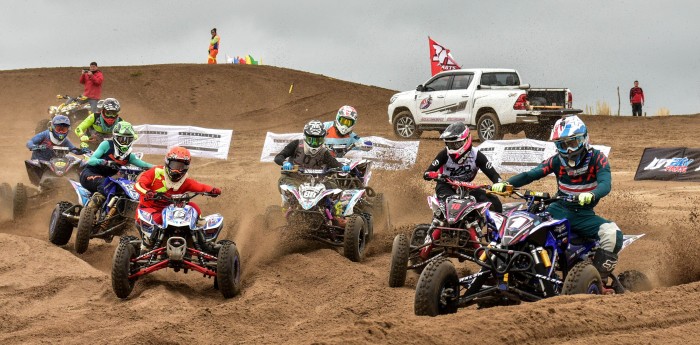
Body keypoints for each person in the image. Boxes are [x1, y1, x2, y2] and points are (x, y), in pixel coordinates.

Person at [492, 115, 623, 282]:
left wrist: (592, 194)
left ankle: (598, 280)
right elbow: (531, 174)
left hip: (583, 214)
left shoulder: (598, 158)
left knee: (613, 234)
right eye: (562, 145)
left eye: (572, 143)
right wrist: (506, 184)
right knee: (519, 223)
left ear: (584, 138)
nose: (568, 150)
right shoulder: (556, 160)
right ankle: (507, 267)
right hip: (557, 209)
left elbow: (605, 184)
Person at [419, 122, 503, 260]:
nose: (451, 148)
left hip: (467, 188)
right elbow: (428, 171)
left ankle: (495, 239)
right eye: (449, 144)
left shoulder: (477, 155)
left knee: (495, 203)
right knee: (448, 206)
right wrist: (432, 174)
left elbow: (493, 174)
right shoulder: (444, 154)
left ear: (466, 140)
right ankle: (432, 236)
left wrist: (500, 184)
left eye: (455, 144)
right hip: (446, 186)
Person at [134, 146, 221, 251]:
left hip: (172, 211)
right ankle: (147, 244)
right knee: (156, 219)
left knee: (194, 208)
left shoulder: (185, 181)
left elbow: (200, 187)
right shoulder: (155, 172)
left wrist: (212, 190)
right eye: (174, 165)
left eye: (181, 166)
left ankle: (201, 240)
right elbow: (138, 184)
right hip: (149, 209)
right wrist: (147, 192)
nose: (177, 170)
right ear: (167, 162)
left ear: (186, 167)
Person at [274, 120, 350, 204]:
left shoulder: (324, 152)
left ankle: (329, 210)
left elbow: (334, 163)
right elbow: (278, 157)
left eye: (318, 140)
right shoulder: (296, 144)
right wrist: (285, 163)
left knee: (335, 188)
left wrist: (343, 167)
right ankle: (291, 206)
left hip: (315, 183)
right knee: (291, 186)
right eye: (311, 139)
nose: (314, 143)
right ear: (305, 137)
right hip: (293, 178)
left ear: (323, 139)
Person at [80, 121, 153, 205]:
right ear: (115, 137)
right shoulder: (106, 145)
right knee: (105, 184)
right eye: (122, 139)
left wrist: (163, 168)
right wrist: (104, 162)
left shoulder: (129, 156)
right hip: (89, 174)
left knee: (123, 190)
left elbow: (145, 165)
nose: (125, 143)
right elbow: (91, 160)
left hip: (107, 179)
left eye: (128, 139)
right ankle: (88, 213)